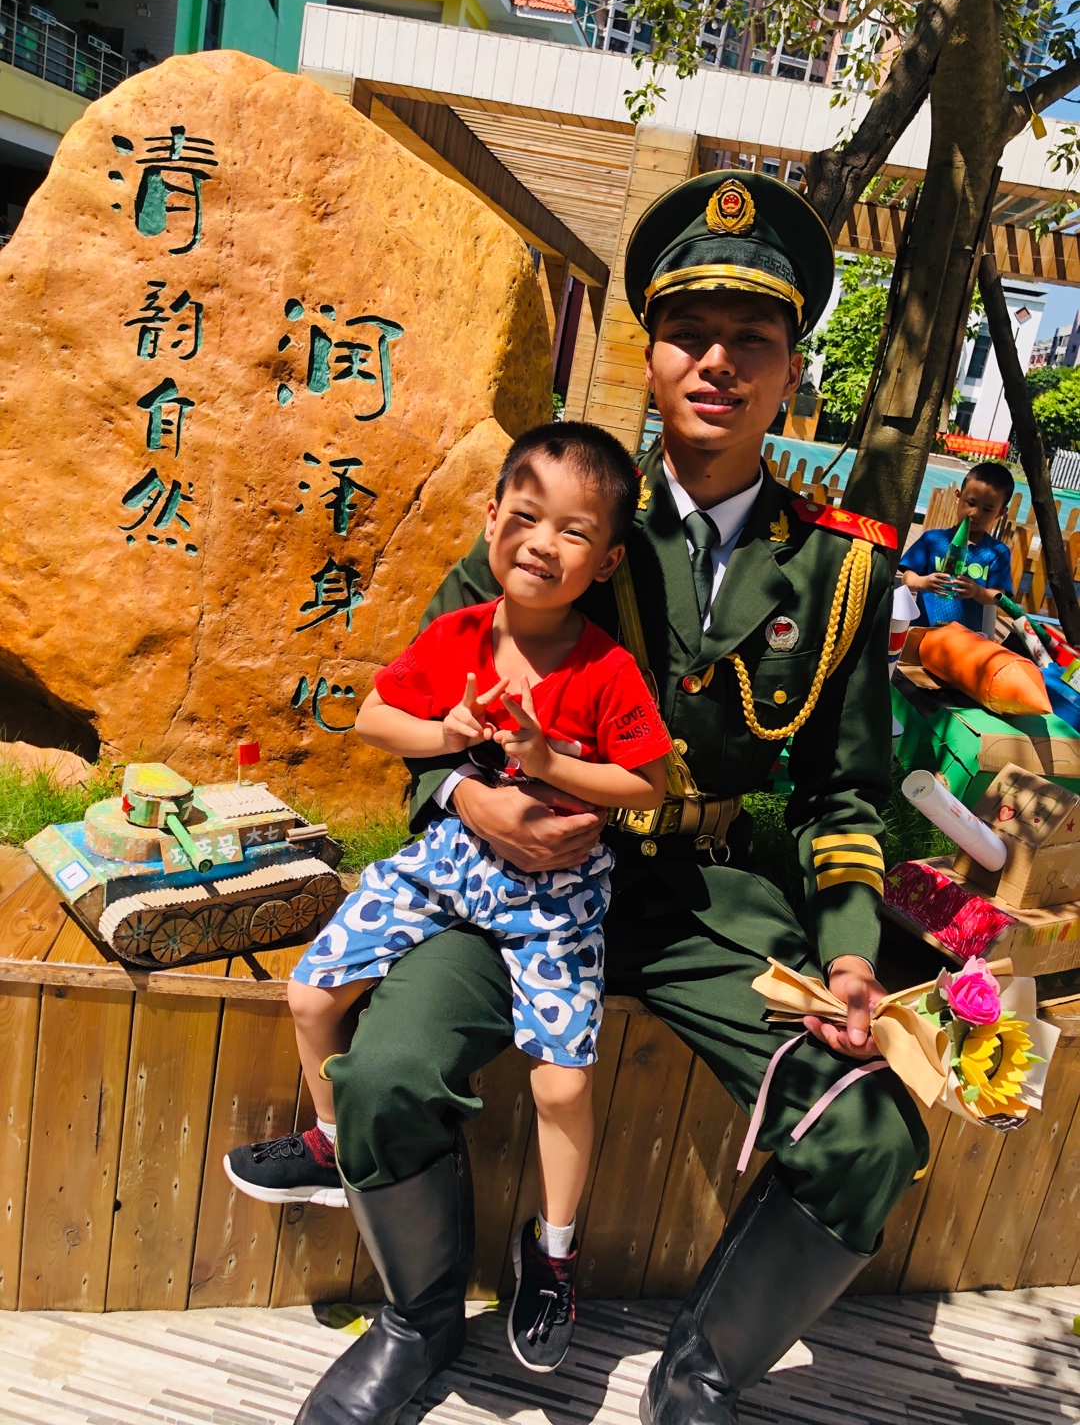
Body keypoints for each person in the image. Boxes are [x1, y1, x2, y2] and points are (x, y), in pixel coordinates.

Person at [291, 170, 930, 1425]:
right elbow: (429, 706)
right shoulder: (563, 513)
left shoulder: (839, 569)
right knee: (385, 1074)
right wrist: (466, 800)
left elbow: (844, 796)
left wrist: (852, 957)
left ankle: (700, 1374)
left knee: (869, 1136)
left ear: (791, 370)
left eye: (751, 339)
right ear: (651, 355)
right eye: (689, 332)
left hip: (705, 908)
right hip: (515, 883)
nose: (717, 362)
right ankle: (418, 1322)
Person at [225, 422, 670, 1370]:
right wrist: (449, 733)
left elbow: (648, 783)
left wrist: (551, 762)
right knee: (311, 992)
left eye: (575, 531)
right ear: (492, 517)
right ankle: (333, 1144)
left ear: (606, 560)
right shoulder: (458, 635)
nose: (543, 543)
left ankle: (554, 1252)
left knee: (563, 1081)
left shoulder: (606, 668)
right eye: (527, 516)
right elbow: (376, 715)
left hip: (556, 897)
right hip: (453, 861)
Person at [900, 462, 1015, 631]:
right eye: (971, 503)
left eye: (987, 509)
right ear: (958, 496)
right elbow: (906, 578)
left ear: (1001, 513)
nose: (975, 513)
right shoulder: (932, 540)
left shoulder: (997, 552)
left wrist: (978, 592)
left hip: (966, 638)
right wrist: (923, 582)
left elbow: (998, 596)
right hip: (923, 631)